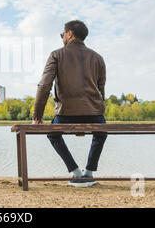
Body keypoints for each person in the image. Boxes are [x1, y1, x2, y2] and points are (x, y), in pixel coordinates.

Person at [32, 20, 107, 188]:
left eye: (62, 34)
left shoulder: (56, 55)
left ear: (69, 34)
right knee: (101, 131)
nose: (62, 38)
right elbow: (102, 91)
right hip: (94, 114)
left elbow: (44, 86)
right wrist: (99, 114)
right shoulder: (98, 58)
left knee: (52, 133)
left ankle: (75, 172)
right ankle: (89, 172)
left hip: (65, 114)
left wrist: (37, 116)